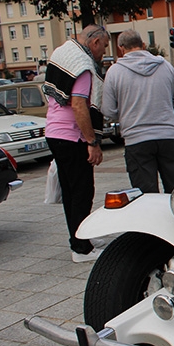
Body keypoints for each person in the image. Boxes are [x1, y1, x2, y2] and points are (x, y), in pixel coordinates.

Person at [43, 24, 110, 263]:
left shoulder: (62, 53)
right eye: (104, 46)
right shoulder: (82, 67)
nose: (103, 52)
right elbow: (79, 105)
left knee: (72, 191)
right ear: (94, 43)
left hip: (54, 131)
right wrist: (92, 141)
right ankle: (81, 247)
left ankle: (82, 237)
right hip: (71, 136)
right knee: (82, 192)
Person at [101, 29, 174, 193]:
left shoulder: (115, 72)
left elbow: (108, 110)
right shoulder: (165, 66)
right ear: (143, 45)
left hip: (136, 139)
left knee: (145, 196)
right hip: (167, 136)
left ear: (121, 48)